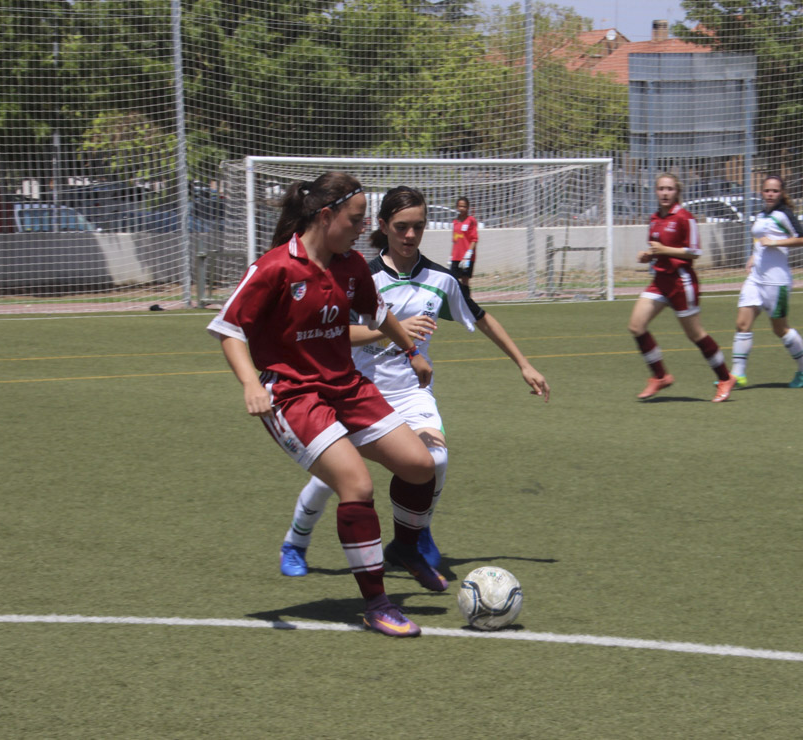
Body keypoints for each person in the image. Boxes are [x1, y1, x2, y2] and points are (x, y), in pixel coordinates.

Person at [207, 172, 444, 638]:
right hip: (292, 396)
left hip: (346, 386)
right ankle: (377, 604)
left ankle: (405, 549)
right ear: (325, 215)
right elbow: (229, 329)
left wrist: (413, 353)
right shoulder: (276, 267)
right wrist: (250, 383)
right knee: (356, 483)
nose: (362, 229)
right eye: (355, 220)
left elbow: (379, 314)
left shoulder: (350, 265)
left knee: (422, 465)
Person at [279, 186, 550, 580]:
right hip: (357, 388)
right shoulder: (360, 275)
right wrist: (390, 332)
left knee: (435, 460)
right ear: (384, 226)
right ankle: (295, 542)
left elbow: (483, 317)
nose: (410, 236)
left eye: (418, 228)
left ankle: (413, 537)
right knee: (334, 477)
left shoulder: (440, 279)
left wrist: (524, 364)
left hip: (411, 392)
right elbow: (333, 332)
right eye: (402, 227)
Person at [629, 173, 736, 402]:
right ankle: (660, 376)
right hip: (660, 281)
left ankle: (725, 377)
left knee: (695, 334)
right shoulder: (655, 218)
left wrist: (664, 251)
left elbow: (694, 252)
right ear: (656, 191)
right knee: (636, 326)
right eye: (661, 189)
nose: (665, 193)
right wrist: (648, 256)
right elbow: (658, 251)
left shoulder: (685, 218)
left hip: (681, 281)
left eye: (669, 189)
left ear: (677, 191)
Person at [731, 174, 803, 388]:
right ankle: (736, 375)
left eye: (775, 191)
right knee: (742, 324)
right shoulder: (761, 214)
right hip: (756, 278)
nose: (770, 194)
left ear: (782, 193)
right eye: (767, 190)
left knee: (780, 329)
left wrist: (777, 241)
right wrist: (754, 254)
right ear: (761, 192)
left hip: (776, 282)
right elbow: (761, 240)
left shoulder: (783, 214)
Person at [448, 196, 479, 293]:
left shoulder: (471, 220)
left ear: (468, 207)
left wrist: (469, 254)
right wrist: (451, 255)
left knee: (465, 280)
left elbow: (474, 239)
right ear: (457, 207)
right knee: (453, 280)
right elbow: (455, 240)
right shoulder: (455, 222)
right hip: (456, 257)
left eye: (464, 206)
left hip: (466, 258)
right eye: (460, 206)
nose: (462, 209)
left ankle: (467, 304)